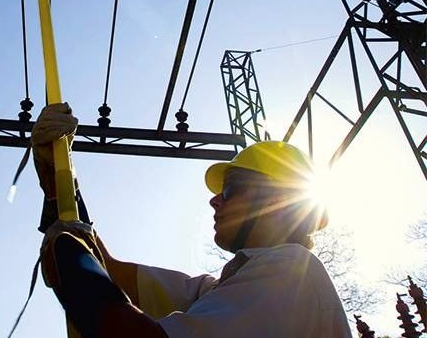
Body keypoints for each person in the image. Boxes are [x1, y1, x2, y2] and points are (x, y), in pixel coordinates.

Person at [32, 103, 352, 338]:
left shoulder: (291, 271)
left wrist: (67, 258)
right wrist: (60, 181)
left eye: (230, 189)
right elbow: (112, 273)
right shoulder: (218, 291)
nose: (215, 199)